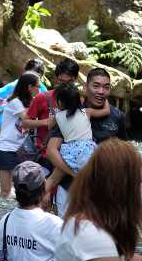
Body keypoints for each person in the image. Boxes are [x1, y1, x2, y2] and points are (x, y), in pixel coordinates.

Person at [52, 139, 142, 261]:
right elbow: (95, 249)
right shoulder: (91, 235)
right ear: (125, 187)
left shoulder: (82, 220)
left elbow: (90, 259)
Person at [46, 68, 130, 217]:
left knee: (101, 237)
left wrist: (139, 176)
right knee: (67, 235)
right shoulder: (70, 112)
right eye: (96, 86)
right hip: (69, 188)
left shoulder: (117, 116)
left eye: (106, 87)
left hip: (103, 192)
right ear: (85, 87)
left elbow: (125, 152)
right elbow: (51, 151)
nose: (101, 91)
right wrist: (74, 173)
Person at [0, 161, 62, 261]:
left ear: (15, 190)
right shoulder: (54, 224)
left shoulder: (5, 220)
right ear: (43, 188)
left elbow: (1, 258)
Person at [23, 58, 80, 170]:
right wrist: (45, 122)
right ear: (56, 79)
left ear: (75, 79)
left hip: (71, 158)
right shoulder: (43, 97)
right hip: (45, 157)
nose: (65, 87)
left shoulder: (79, 100)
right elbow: (25, 122)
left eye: (69, 82)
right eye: (61, 82)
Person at [0, 71, 41, 198]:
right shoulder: (15, 102)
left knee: (20, 190)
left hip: (22, 151)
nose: (40, 89)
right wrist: (47, 122)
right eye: (38, 86)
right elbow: (27, 119)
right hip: (6, 149)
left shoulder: (30, 101)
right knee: (5, 191)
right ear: (29, 87)